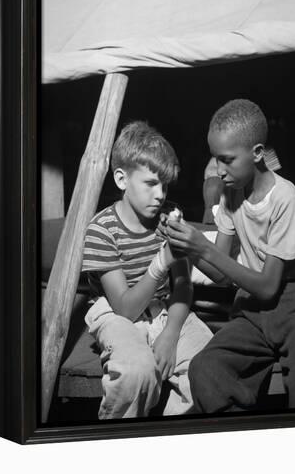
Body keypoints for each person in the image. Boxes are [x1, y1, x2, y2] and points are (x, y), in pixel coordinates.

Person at [165, 99, 295, 412]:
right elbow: (222, 275)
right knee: (205, 368)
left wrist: (205, 247)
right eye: (215, 160)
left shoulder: (284, 197)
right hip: (250, 309)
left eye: (227, 160)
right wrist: (188, 247)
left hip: (293, 304)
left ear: (256, 153)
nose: (219, 172)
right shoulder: (231, 193)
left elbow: (269, 285)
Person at [81, 121, 212, 419]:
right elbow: (125, 309)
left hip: (167, 310)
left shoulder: (168, 218)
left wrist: (170, 333)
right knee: (135, 373)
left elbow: (183, 286)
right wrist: (161, 260)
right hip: (116, 315)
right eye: (151, 183)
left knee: (210, 365)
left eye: (165, 185)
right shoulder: (102, 230)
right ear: (121, 179)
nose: (160, 194)